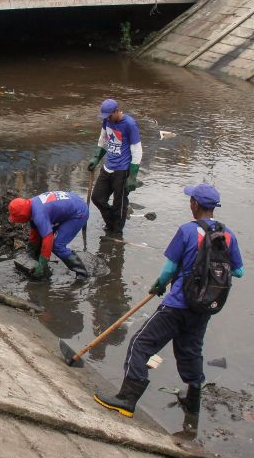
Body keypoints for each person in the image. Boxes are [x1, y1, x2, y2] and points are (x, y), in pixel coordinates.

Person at [94, 184, 244, 432]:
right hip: (204, 307)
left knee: (140, 345)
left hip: (177, 305)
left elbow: (169, 270)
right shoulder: (228, 236)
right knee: (191, 351)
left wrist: (158, 285)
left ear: (195, 204)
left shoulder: (187, 231)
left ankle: (126, 399)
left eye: (191, 200)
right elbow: (238, 271)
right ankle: (193, 404)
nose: (190, 203)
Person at [88, 99, 142, 234]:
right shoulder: (107, 121)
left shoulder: (130, 124)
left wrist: (132, 176)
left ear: (117, 111)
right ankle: (111, 222)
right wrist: (96, 157)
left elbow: (137, 150)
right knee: (97, 198)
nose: (108, 119)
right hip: (108, 167)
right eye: (106, 117)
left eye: (110, 116)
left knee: (120, 203)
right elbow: (103, 140)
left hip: (122, 170)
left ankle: (117, 232)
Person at [7, 191, 90, 279]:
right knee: (42, 236)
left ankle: (82, 274)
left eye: (17, 219)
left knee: (57, 246)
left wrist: (42, 263)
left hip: (78, 213)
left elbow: (48, 238)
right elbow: (35, 232)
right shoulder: (31, 205)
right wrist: (30, 253)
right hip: (70, 205)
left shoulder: (39, 214)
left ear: (22, 215)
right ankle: (37, 264)